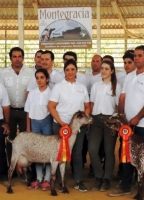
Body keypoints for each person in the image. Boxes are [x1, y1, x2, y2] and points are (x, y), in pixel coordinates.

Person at [109, 45, 144, 200]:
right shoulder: (130, 76)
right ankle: (125, 186)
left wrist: (137, 118)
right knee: (127, 157)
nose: (136, 58)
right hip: (128, 127)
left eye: (139, 55)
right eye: (135, 56)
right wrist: (121, 118)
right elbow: (122, 97)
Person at [48, 59, 90, 192]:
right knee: (60, 155)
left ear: (76, 71)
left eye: (72, 69)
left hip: (77, 128)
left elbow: (87, 107)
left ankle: (78, 180)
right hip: (61, 126)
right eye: (67, 70)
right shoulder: (58, 87)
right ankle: (61, 181)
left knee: (77, 154)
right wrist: (61, 123)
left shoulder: (82, 87)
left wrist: (80, 120)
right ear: (64, 72)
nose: (70, 72)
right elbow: (51, 106)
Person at [88, 60, 121, 192]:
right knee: (93, 150)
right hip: (96, 120)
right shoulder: (96, 85)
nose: (103, 71)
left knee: (108, 151)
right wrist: (90, 120)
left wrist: (116, 125)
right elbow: (91, 104)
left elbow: (118, 107)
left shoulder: (117, 87)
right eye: (102, 68)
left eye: (106, 69)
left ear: (112, 71)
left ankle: (107, 179)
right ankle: (98, 177)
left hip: (110, 121)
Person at [0, 47, 33, 166]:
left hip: (25, 112)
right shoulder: (3, 73)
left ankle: (27, 170)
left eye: (19, 56)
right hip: (10, 113)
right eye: (15, 56)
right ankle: (12, 167)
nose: (17, 59)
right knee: (10, 141)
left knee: (26, 141)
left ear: (23, 58)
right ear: (10, 58)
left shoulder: (30, 72)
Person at [25, 68, 53, 191]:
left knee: (47, 151)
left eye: (42, 77)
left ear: (47, 79)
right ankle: (38, 177)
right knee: (36, 151)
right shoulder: (32, 93)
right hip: (34, 123)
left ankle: (47, 178)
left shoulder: (51, 93)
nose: (39, 80)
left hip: (47, 122)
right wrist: (28, 126)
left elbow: (52, 110)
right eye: (37, 78)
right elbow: (28, 111)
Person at [113, 51, 136, 181]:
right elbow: (119, 99)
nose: (127, 65)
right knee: (123, 146)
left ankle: (137, 176)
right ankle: (122, 173)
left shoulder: (139, 77)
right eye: (125, 63)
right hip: (124, 121)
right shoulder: (121, 79)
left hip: (137, 120)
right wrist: (120, 117)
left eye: (129, 62)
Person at [0, 83, 10, 187]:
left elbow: (6, 106)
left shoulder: (0, 87)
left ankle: (3, 176)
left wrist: (6, 123)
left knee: (1, 151)